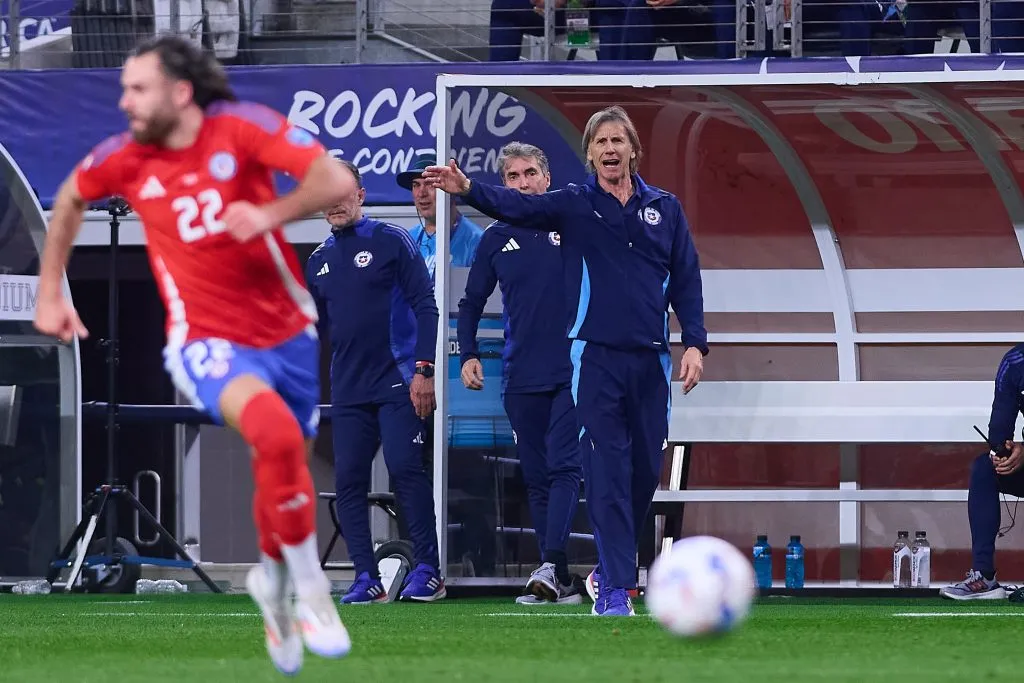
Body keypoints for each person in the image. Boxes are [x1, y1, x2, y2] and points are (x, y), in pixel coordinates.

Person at [32, 36, 352, 675]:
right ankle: (311, 589)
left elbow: (334, 179)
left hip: (287, 333)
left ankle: (270, 582)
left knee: (282, 452)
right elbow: (69, 198)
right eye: (123, 87)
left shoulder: (241, 131)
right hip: (204, 340)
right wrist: (50, 292)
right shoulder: (124, 159)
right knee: (275, 432)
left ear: (180, 93)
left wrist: (270, 214)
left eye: (137, 88)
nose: (124, 101)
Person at [424, 105, 708, 617]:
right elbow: (520, 208)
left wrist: (695, 342)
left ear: (633, 150)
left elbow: (686, 277)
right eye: (600, 143)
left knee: (643, 473)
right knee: (604, 470)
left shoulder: (665, 208)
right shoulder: (574, 205)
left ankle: (607, 569)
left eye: (618, 141)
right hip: (592, 360)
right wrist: (469, 190)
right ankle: (617, 587)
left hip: (649, 362)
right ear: (590, 155)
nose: (610, 150)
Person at [305, 161, 446, 604]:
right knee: (348, 480)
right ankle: (366, 577)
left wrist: (424, 370)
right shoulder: (318, 261)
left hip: (398, 381)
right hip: (347, 390)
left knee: (406, 470)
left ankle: (429, 569)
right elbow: (316, 330)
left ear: (361, 195)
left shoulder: (391, 241)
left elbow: (427, 305)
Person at [457, 142, 583, 605]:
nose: (524, 183)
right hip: (520, 375)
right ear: (504, 185)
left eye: (531, 173)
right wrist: (468, 352)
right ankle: (561, 577)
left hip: (573, 369)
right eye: (513, 176)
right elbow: (470, 303)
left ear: (546, 178)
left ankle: (550, 564)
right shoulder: (494, 238)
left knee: (567, 466)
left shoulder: (570, 223)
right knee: (537, 476)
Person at [940, 344, 1024, 601]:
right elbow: (1001, 421)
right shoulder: (1016, 361)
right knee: (984, 468)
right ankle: (984, 576)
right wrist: (1003, 451)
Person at [397, 152, 484, 279]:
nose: (422, 193)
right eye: (416, 185)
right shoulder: (408, 240)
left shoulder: (476, 241)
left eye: (430, 184)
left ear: (451, 189)